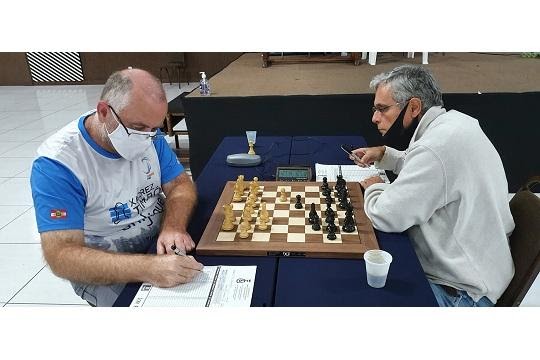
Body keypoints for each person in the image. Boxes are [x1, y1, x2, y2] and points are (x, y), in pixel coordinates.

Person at [30, 68, 203, 306]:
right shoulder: (59, 164)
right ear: (104, 112)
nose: (147, 137)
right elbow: (61, 256)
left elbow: (180, 185)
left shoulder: (150, 136)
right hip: (105, 266)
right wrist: (148, 268)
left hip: (159, 243)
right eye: (138, 128)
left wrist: (173, 226)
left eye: (154, 128)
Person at [351, 64, 514, 307]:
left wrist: (373, 187)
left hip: (463, 292)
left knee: (357, 294)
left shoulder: (435, 149)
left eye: (382, 109)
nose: (374, 118)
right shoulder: (455, 123)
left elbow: (386, 215)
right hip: (485, 269)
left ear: (414, 107)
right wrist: (386, 155)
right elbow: (428, 166)